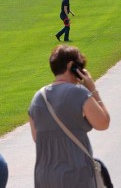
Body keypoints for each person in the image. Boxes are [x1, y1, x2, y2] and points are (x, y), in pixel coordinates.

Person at [29, 45, 110, 187]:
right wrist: (92, 89)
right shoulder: (79, 93)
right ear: (71, 66)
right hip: (75, 175)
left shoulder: (38, 97)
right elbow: (103, 123)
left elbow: (37, 138)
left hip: (44, 177)